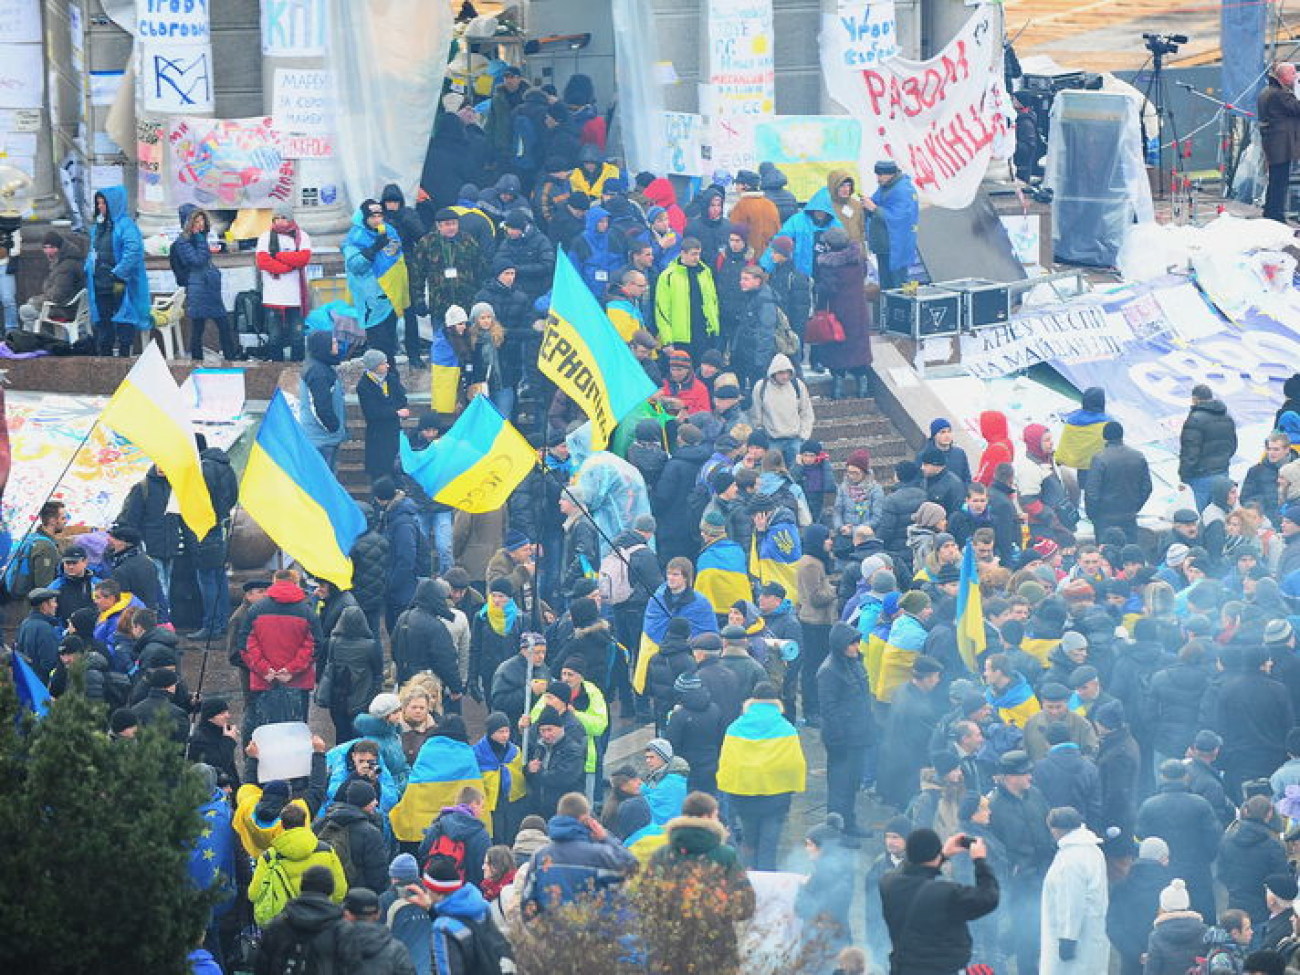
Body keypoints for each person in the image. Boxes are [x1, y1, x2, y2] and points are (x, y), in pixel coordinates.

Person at [878, 827, 1000, 975]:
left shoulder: (888, 884)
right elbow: (989, 897)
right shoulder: (947, 893)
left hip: (902, 968)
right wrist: (980, 860)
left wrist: (941, 856)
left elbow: (907, 872)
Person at [716, 681, 807, 870]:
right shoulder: (786, 729)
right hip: (776, 797)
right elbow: (795, 764)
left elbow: (727, 763)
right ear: (776, 701)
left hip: (744, 797)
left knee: (748, 842)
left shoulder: (735, 728)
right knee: (769, 844)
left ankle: (748, 882)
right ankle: (767, 882)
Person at [520, 791, 638, 914]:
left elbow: (527, 901)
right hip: (593, 930)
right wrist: (606, 838)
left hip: (552, 930)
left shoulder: (540, 856)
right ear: (586, 819)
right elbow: (632, 867)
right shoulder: (599, 854)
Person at [817, 622, 873, 840]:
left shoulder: (855, 663)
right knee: (840, 787)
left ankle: (849, 823)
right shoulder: (829, 671)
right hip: (842, 739)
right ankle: (836, 832)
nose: (856, 647)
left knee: (852, 784)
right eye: (852, 643)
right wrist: (837, 739)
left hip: (858, 734)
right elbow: (828, 710)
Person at [1039, 806, 1108, 974]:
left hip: (1075, 936)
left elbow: (1071, 901)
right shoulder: (1092, 850)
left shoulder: (1070, 860)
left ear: (1057, 829)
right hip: (1092, 929)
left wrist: (1067, 939)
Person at [85, 186, 150, 357]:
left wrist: (117, 273)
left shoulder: (126, 226)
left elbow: (133, 251)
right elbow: (92, 250)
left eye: (103, 203)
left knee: (124, 317)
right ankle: (105, 354)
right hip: (100, 282)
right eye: (98, 203)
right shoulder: (99, 227)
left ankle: (123, 355)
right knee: (103, 319)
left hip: (118, 282)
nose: (100, 207)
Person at [343, 198, 409, 364]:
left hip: (389, 299)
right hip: (370, 303)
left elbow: (397, 260)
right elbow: (355, 265)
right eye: (373, 215)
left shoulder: (389, 232)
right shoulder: (355, 237)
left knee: (389, 350)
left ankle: (391, 384)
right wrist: (373, 249)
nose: (377, 219)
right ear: (365, 217)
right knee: (379, 350)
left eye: (380, 215)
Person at [251, 865, 344, 975]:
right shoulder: (341, 929)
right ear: (331, 889)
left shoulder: (278, 925)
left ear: (302, 886)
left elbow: (261, 966)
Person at [171, 205, 236, 362]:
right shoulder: (183, 242)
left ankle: (230, 358)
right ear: (188, 223)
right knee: (199, 326)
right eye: (196, 221)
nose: (200, 224)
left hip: (209, 287)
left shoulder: (200, 238)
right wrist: (200, 239)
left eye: (201, 220)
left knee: (223, 325)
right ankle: (197, 359)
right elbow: (197, 261)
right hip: (198, 288)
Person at [814, 227, 873, 398]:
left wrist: (818, 304)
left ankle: (838, 388)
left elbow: (827, 290)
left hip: (837, 313)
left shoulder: (828, 266)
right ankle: (862, 387)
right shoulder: (858, 260)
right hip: (858, 310)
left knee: (837, 347)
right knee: (858, 346)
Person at [1086, 421, 1153, 544]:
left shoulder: (1100, 459)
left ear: (1104, 436)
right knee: (1130, 554)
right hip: (1129, 516)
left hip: (1105, 518)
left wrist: (1093, 515)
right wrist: (1135, 507)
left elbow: (1091, 492)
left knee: (1107, 555)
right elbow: (1147, 487)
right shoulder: (1138, 456)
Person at [1179, 383, 1239, 511]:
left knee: (1203, 517)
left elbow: (1190, 452)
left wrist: (1184, 475)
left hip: (1200, 476)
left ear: (1195, 399)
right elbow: (1232, 446)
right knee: (1221, 513)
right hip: (1222, 473)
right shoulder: (1227, 418)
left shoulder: (1194, 420)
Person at [655, 239, 720, 357]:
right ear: (683, 253)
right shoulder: (668, 276)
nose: (697, 258)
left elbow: (712, 300)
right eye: (693, 254)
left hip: (704, 333)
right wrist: (667, 340)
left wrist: (714, 328)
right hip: (680, 337)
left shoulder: (705, 272)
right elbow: (662, 310)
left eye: (699, 254)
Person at [356, 349, 410, 484]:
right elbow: (372, 412)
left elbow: (401, 398)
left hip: (393, 431)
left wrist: (399, 409)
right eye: (383, 363)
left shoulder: (391, 379)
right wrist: (395, 412)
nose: (387, 366)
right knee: (380, 471)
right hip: (378, 435)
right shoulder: (364, 386)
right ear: (374, 366)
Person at [864, 159, 919, 291]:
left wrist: (874, 209)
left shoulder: (903, 190)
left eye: (880, 175)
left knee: (897, 285)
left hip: (895, 247)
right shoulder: (885, 187)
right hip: (883, 247)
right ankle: (889, 310)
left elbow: (900, 218)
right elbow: (876, 202)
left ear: (890, 174)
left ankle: (901, 310)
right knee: (886, 286)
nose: (877, 179)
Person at [17, 230, 86, 333]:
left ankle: (35, 341)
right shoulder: (64, 261)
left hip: (65, 309)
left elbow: (58, 295)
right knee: (29, 308)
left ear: (60, 247)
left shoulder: (66, 266)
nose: (48, 251)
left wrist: (35, 300)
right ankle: (32, 341)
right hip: (66, 306)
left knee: (25, 310)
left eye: (51, 247)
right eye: (45, 247)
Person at [1257, 60, 1300, 223]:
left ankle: (1271, 211)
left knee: (1276, 179)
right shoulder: (1280, 94)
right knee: (1280, 181)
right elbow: (1297, 108)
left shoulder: (1268, 91)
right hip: (1281, 144)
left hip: (1274, 143)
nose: (1296, 76)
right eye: (1293, 73)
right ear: (1283, 76)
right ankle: (1276, 214)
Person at [298, 330, 347, 469]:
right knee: (324, 482)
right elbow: (320, 407)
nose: (337, 345)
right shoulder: (318, 372)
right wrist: (334, 427)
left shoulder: (319, 366)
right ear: (323, 346)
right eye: (333, 342)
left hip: (323, 439)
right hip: (322, 440)